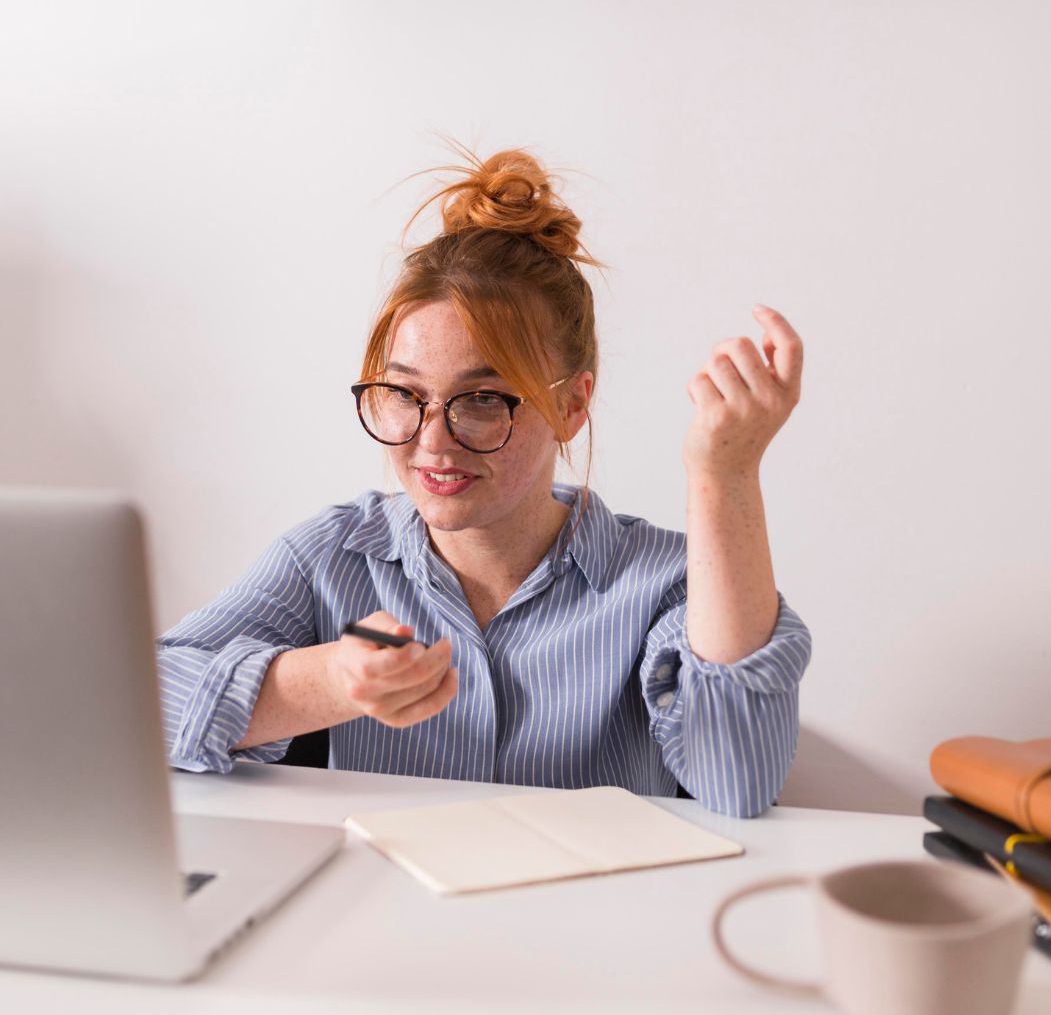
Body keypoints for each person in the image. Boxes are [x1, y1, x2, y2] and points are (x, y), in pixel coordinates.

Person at [157, 141, 811, 817]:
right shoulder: (330, 557)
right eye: (404, 396)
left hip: (600, 915)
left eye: (482, 400)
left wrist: (723, 473)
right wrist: (327, 678)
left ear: (571, 405)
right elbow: (132, 705)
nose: (432, 444)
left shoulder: (664, 582)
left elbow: (740, 782)